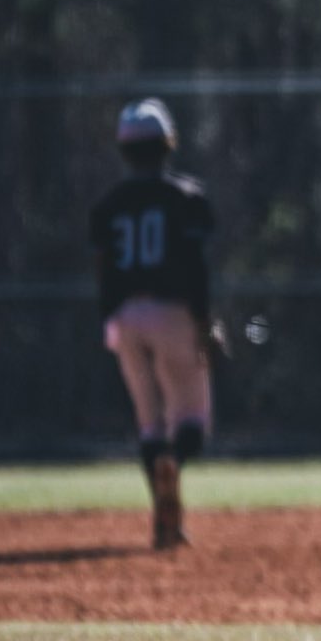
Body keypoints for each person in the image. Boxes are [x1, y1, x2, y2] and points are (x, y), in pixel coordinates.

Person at [90, 98, 216, 550]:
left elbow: (104, 269)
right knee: (191, 422)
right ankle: (173, 465)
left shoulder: (108, 205)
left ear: (125, 150)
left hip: (125, 316)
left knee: (148, 421)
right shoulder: (186, 196)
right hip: (173, 311)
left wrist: (109, 319)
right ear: (168, 145)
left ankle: (165, 518)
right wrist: (204, 322)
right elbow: (197, 268)